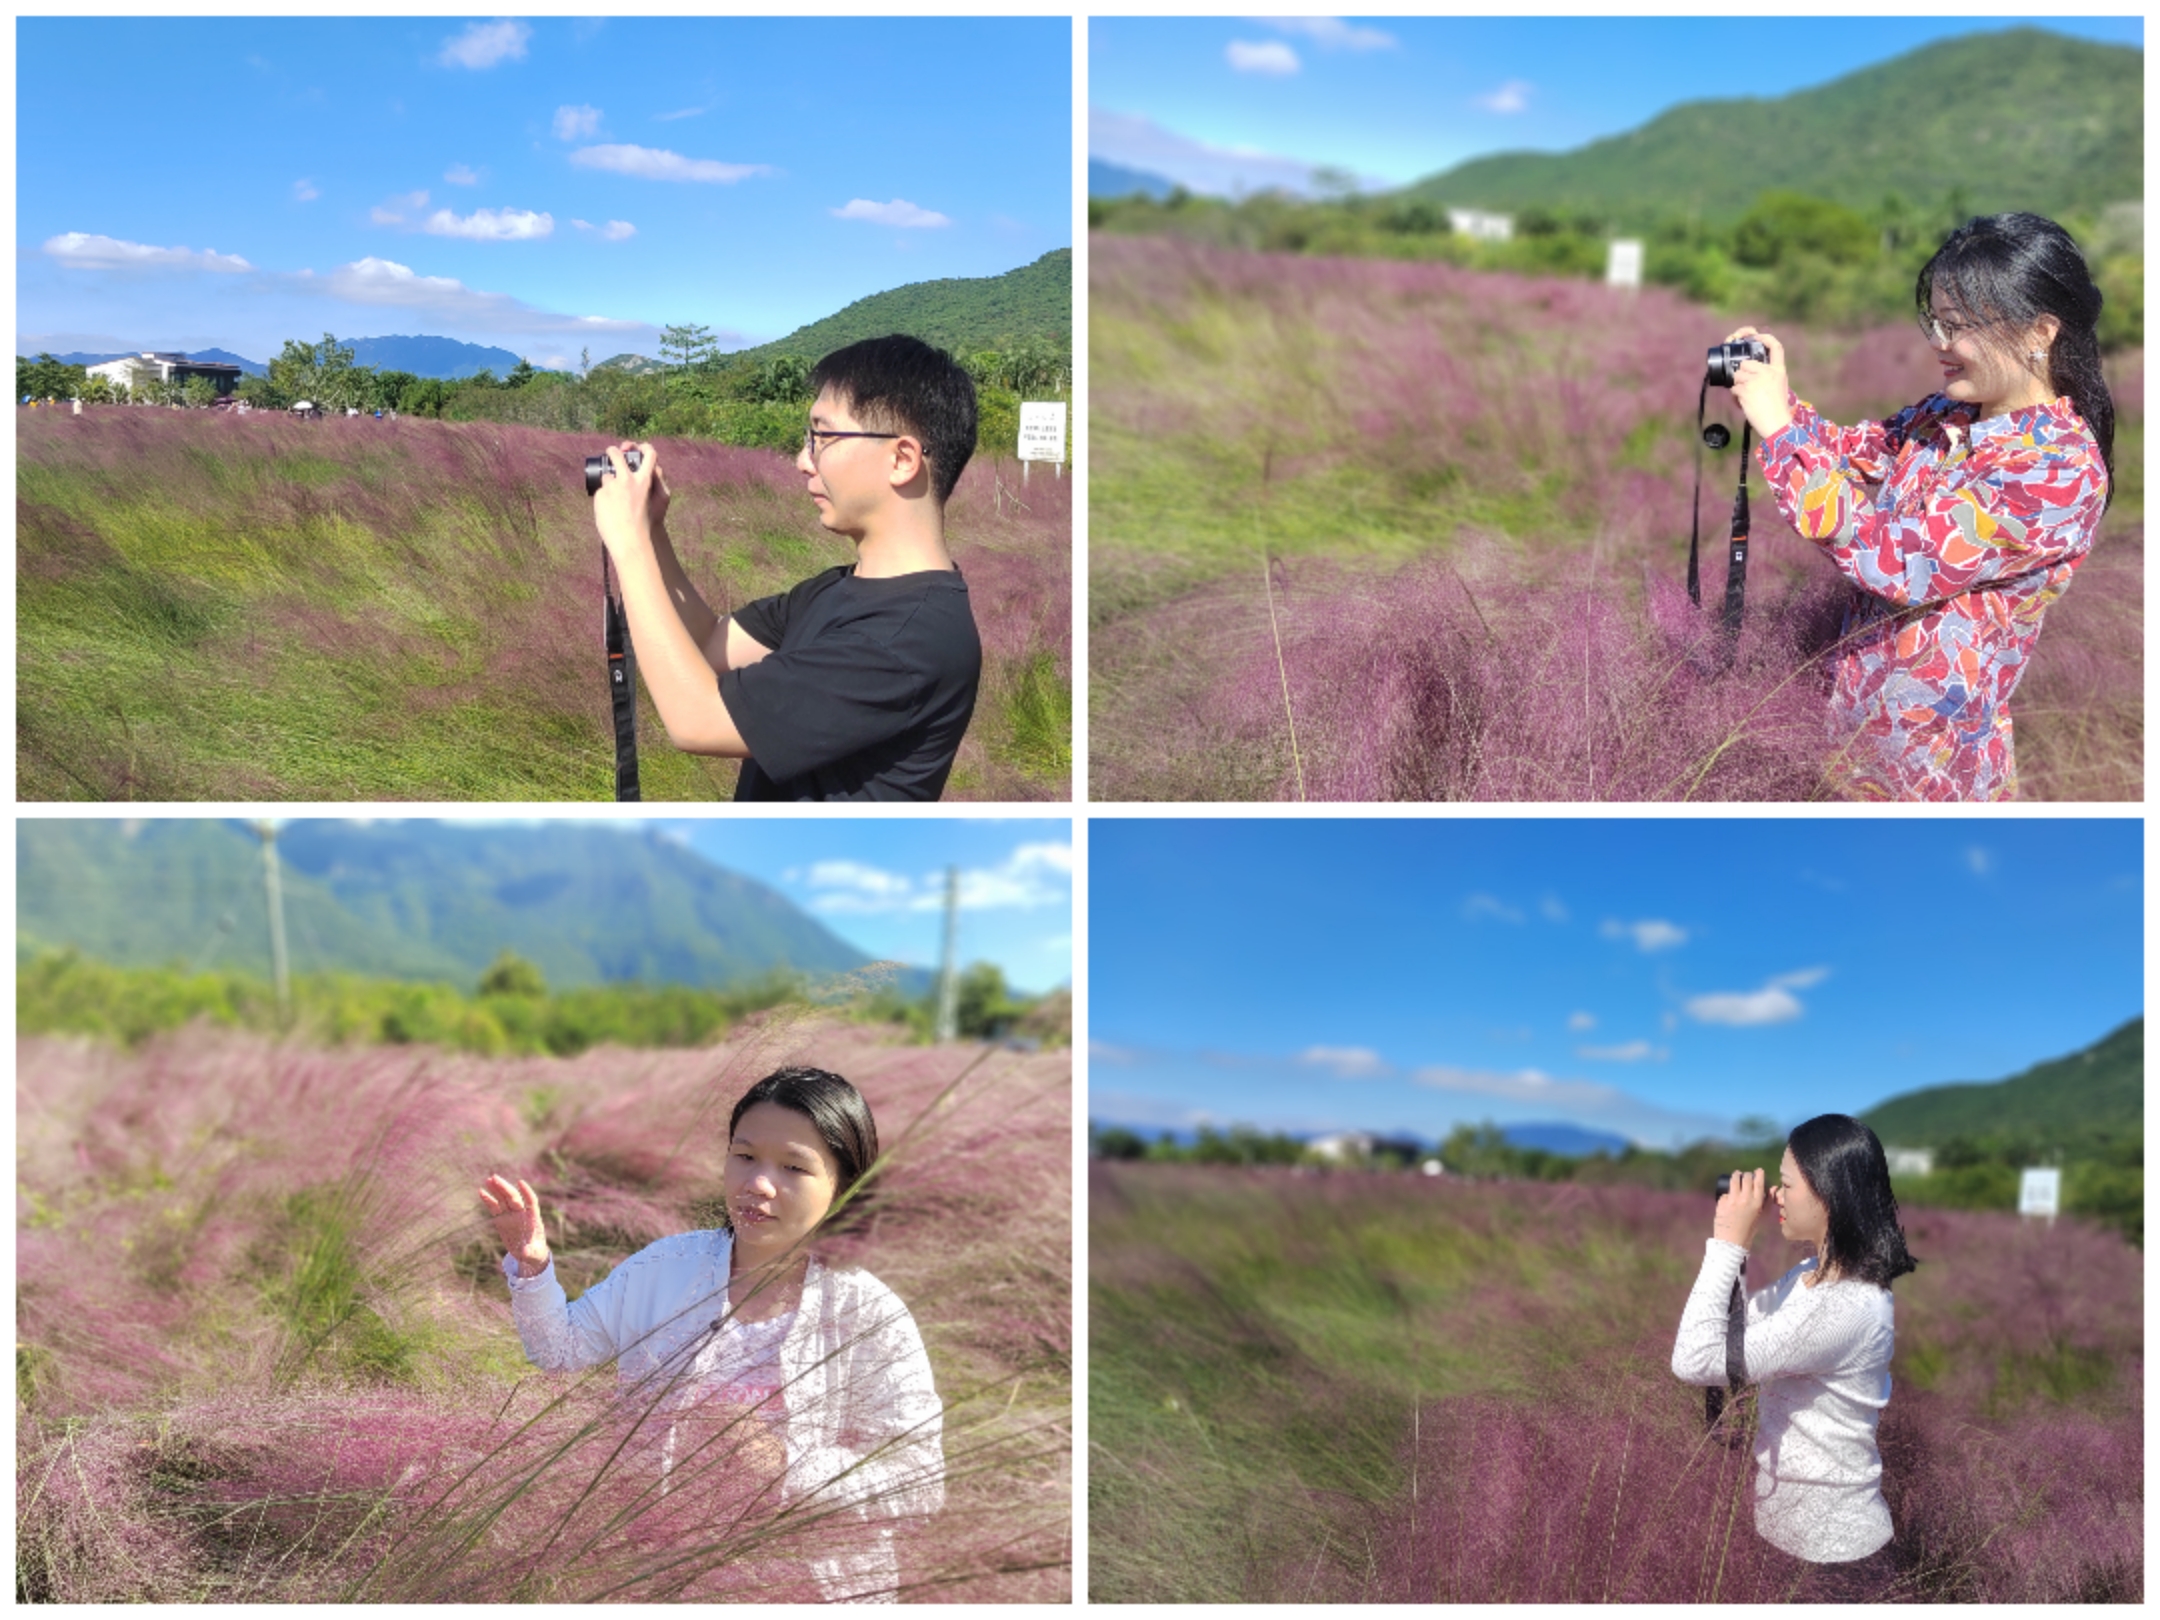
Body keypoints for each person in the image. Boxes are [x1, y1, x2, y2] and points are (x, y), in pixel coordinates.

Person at [479, 1066, 943, 1602]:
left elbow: (918, 1484)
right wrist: (533, 1265)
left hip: (809, 1591)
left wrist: (787, 1469)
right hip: (657, 1577)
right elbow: (558, 1350)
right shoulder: (666, 1267)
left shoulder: (868, 1313)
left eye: (794, 1166)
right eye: (744, 1156)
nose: (757, 1183)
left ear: (844, 1185)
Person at [1720, 212, 2114, 801]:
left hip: (1931, 773)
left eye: (1957, 326)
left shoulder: (2060, 470)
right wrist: (1774, 395)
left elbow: (1895, 562)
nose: (1938, 343)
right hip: (1849, 739)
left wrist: (1779, 429)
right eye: (1934, 320)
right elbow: (1852, 453)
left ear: (2040, 332)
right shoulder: (1949, 413)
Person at [589, 334, 982, 800]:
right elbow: (712, 645)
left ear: (901, 459)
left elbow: (698, 720)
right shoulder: (838, 589)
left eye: (823, 437)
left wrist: (629, 546)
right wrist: (653, 531)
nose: (802, 461)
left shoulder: (909, 642)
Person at [1671, 1115, 1919, 1592]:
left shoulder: (1846, 1306)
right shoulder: (1810, 1277)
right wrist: (1737, 1253)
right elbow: (1732, 1335)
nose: (1776, 1197)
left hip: (1832, 1555)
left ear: (1828, 1193)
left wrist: (1726, 1244)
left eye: (1785, 1184)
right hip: (1790, 1534)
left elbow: (1695, 1359)